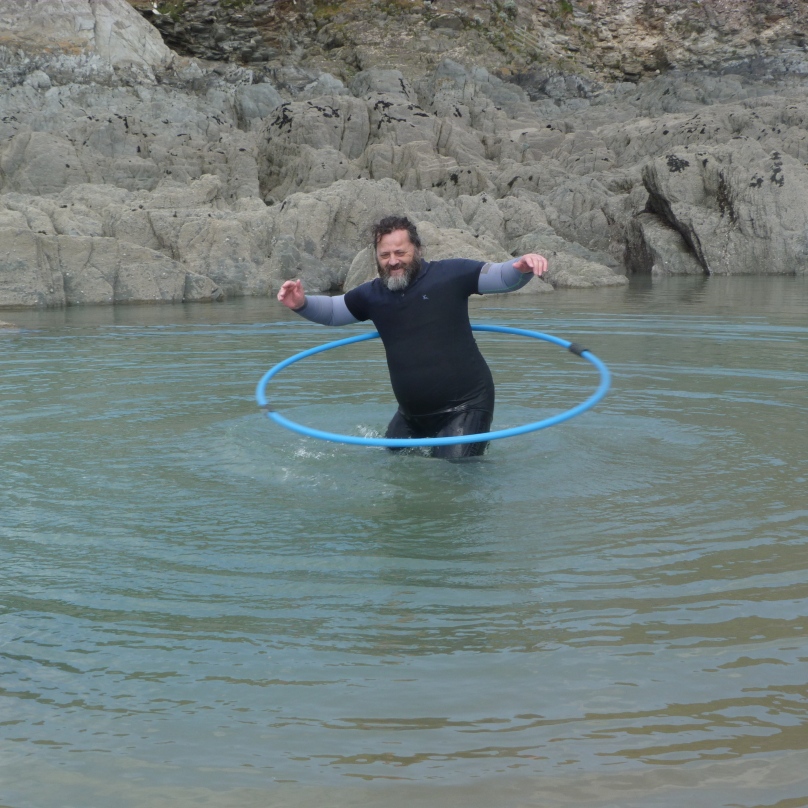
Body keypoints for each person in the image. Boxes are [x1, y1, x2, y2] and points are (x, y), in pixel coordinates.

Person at [277, 215, 548, 460]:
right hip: (411, 416)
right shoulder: (372, 295)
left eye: (400, 252)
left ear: (416, 249)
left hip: (466, 406)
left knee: (452, 480)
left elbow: (501, 276)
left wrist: (520, 267)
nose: (393, 261)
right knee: (391, 469)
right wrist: (301, 303)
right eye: (384, 255)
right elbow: (334, 312)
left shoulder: (450, 275)